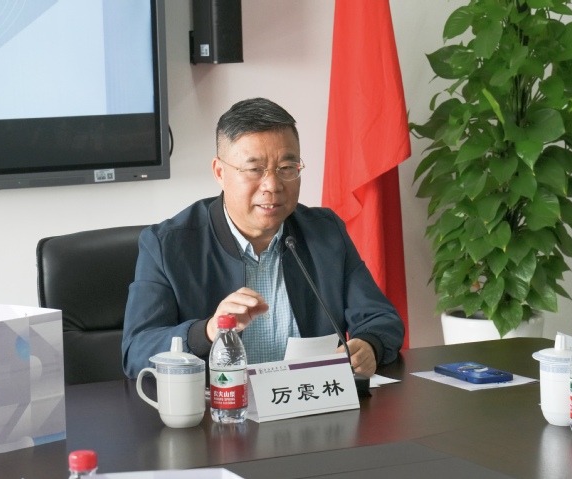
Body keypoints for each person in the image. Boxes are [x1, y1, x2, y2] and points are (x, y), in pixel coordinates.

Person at [122, 97, 404, 379]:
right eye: (255, 169)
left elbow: (381, 318)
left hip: (308, 398)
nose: (272, 185)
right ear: (220, 172)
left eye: (286, 168)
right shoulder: (166, 245)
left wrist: (370, 345)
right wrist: (207, 331)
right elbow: (136, 352)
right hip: (221, 403)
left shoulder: (325, 232)